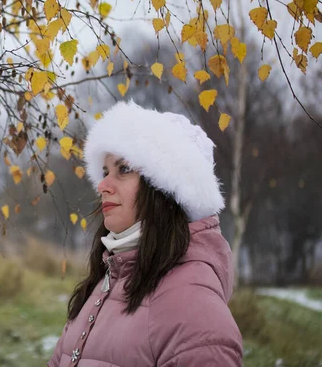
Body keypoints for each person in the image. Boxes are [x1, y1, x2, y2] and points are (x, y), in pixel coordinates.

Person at [48, 101, 243, 367]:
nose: (102, 185)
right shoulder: (108, 278)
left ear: (165, 186)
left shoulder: (192, 306)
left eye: (124, 169)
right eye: (105, 172)